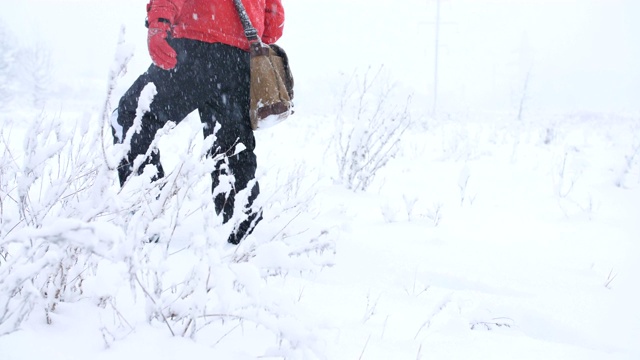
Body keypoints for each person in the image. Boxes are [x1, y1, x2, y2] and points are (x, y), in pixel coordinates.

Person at [111, 0, 285, 244]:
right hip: (238, 60)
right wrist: (234, 32)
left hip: (193, 50)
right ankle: (242, 236)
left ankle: (146, 215)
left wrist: (159, 25)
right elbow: (273, 23)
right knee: (232, 145)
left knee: (131, 116)